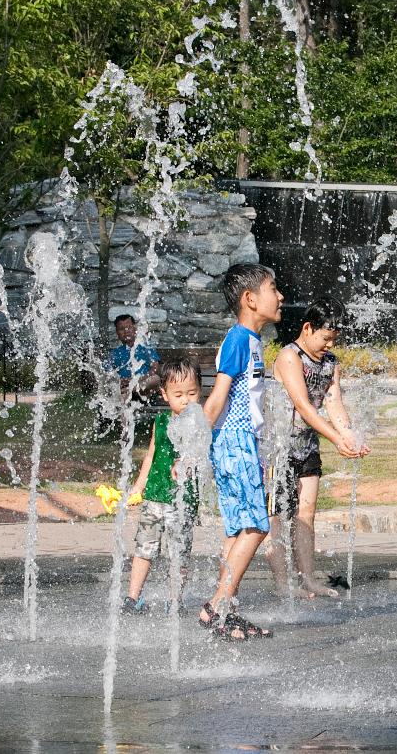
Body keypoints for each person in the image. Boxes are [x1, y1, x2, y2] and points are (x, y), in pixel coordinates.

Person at [197, 263, 282, 640]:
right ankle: (217, 605)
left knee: (236, 531)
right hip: (235, 440)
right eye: (272, 288)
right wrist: (191, 446)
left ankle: (226, 610)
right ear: (250, 299)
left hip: (240, 442)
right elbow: (217, 398)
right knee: (256, 526)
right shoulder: (237, 340)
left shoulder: (249, 340)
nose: (280, 296)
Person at [267, 297, 369, 598]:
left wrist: (351, 436)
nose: (329, 345)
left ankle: (308, 579)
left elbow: (333, 402)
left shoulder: (330, 363)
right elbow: (304, 406)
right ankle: (283, 586)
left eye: (333, 340)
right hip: (279, 448)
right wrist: (336, 439)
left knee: (306, 512)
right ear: (308, 328)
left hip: (307, 446)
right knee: (279, 516)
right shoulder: (290, 357)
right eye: (325, 339)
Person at [122, 358, 203, 614]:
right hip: (154, 497)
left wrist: (186, 461)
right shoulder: (161, 421)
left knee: (178, 553)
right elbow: (150, 455)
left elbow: (200, 455)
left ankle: (175, 601)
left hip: (182, 501)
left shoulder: (199, 423)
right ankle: (133, 598)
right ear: (164, 394)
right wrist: (138, 485)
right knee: (143, 549)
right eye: (178, 394)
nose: (186, 400)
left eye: (192, 393)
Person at [108, 313, 161, 398]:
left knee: (155, 379)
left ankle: (131, 390)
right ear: (117, 333)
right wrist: (121, 381)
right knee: (113, 388)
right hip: (123, 390)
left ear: (135, 329)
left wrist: (138, 379)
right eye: (121, 329)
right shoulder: (115, 353)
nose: (126, 331)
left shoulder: (145, 348)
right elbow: (107, 374)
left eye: (129, 327)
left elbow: (155, 368)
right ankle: (128, 392)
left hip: (143, 388)